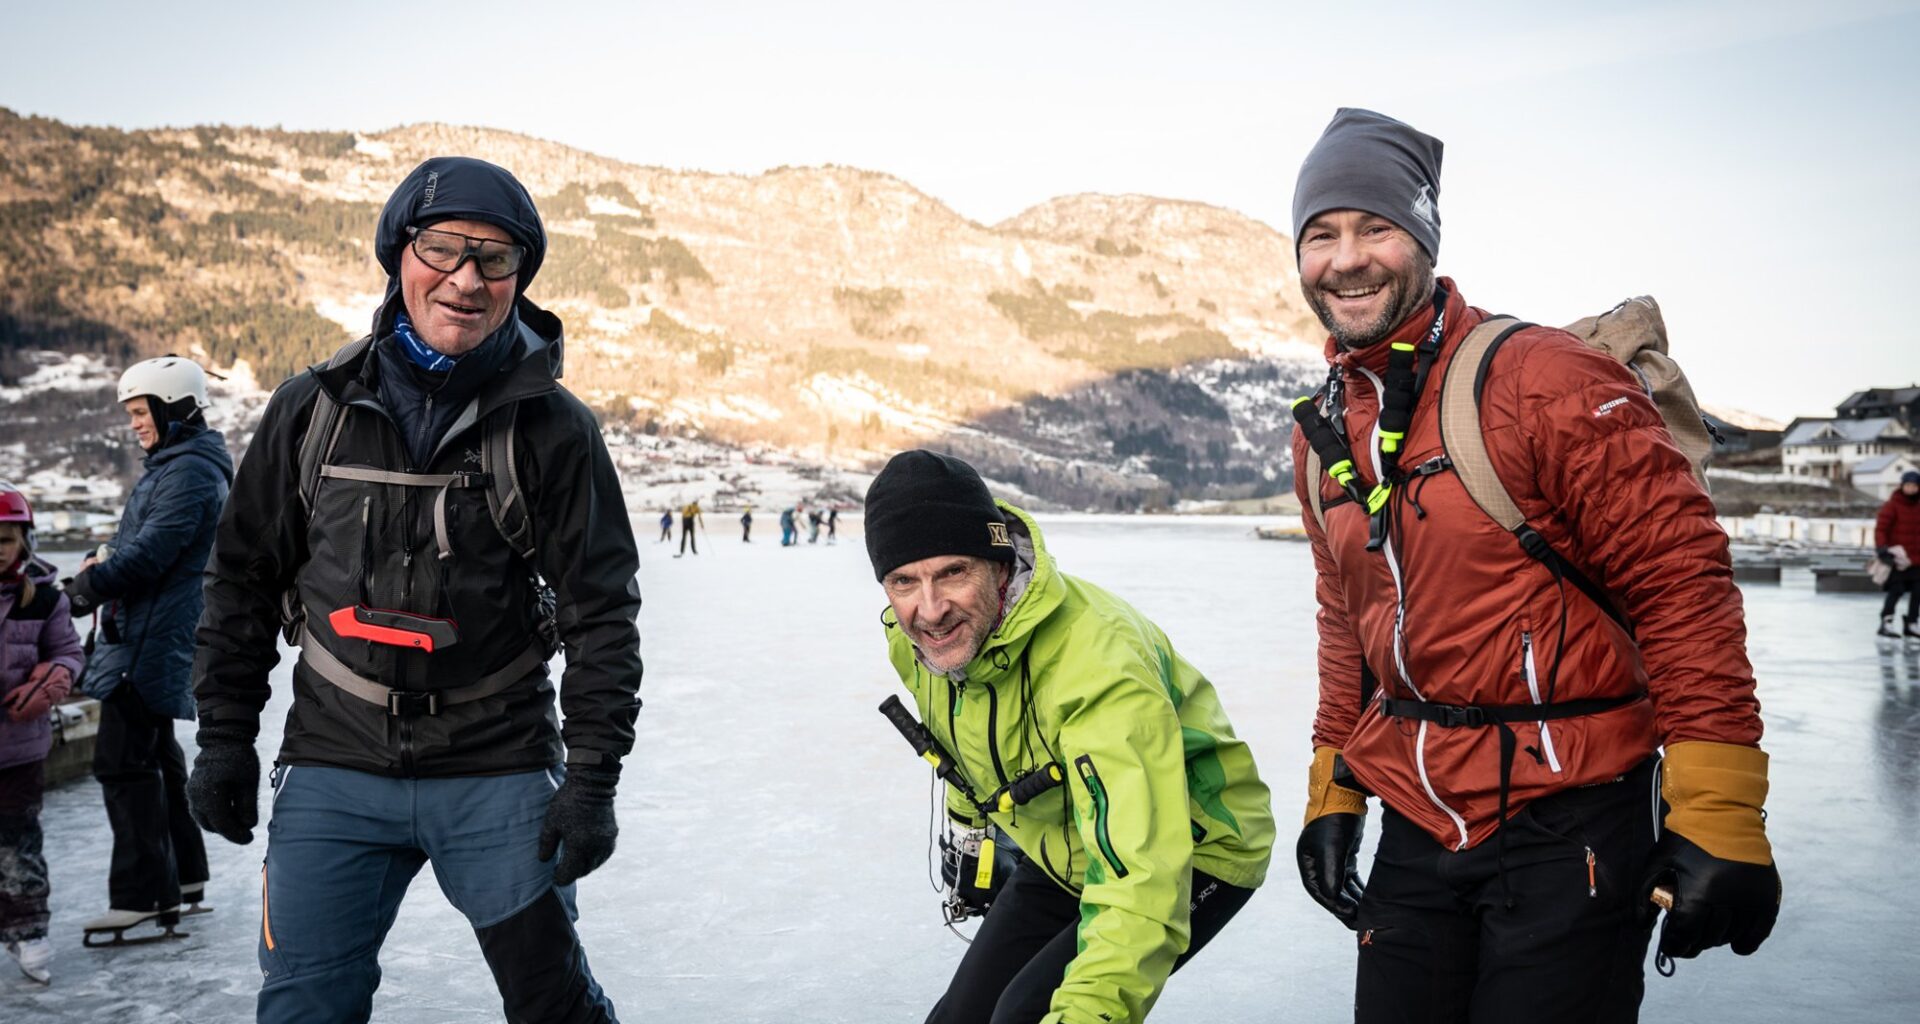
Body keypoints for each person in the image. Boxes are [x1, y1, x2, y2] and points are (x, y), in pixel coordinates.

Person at [1285, 109, 1779, 1023]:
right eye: (1321, 235)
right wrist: (1335, 791)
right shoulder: (1322, 432)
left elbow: (1682, 586)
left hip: (1570, 822)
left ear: (1424, 240)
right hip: (1418, 821)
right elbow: (1346, 620)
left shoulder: (1541, 378)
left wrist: (1720, 813)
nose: (1346, 258)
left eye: (1375, 228)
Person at [184, 157, 642, 1023]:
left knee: (554, 1006)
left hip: (497, 766)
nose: (466, 279)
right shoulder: (309, 410)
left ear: (519, 279)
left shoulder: (555, 429)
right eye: (443, 249)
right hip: (334, 762)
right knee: (303, 1008)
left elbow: (601, 614)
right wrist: (224, 741)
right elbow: (241, 583)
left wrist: (590, 782)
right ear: (400, 254)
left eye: (495, 260)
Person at [866, 450, 1274, 1024]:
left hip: (1189, 847)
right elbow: (959, 746)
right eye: (904, 581)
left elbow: (1142, 875)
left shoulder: (1099, 665)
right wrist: (973, 838)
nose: (929, 610)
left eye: (952, 571)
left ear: (999, 564)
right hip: (1065, 845)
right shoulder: (916, 645)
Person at [61, 356, 230, 945]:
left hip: (151, 637)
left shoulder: (187, 472)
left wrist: (85, 586)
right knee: (157, 759)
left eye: (140, 412)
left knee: (123, 764)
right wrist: (105, 559)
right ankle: (182, 880)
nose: (134, 424)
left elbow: (154, 552)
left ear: (171, 407)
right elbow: (142, 542)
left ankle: (142, 897)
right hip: (153, 630)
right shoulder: (180, 466)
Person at [0, 484, 84, 983]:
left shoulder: (44, 599)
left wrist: (52, 680)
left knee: (18, 844)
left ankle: (29, 932)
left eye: (5, 540)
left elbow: (69, 652)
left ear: (24, 543)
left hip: (19, 748)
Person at [1876, 470, 1920, 638]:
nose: (1911, 489)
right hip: (1897, 558)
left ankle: (1911, 623)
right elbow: (1881, 529)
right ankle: (1886, 623)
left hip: (1916, 558)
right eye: (1908, 485)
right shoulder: (1892, 505)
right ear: (1902, 486)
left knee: (1918, 591)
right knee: (1896, 590)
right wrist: (1882, 549)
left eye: (1914, 486)